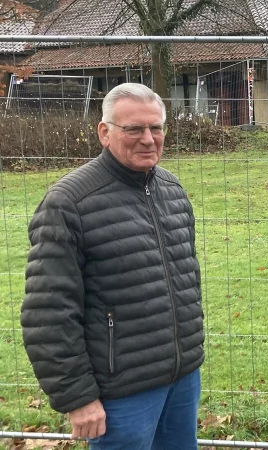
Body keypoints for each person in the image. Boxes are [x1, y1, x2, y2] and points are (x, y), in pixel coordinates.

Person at [21, 83, 204, 449]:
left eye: (156, 128)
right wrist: (78, 397)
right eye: (134, 129)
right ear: (105, 133)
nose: (149, 139)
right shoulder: (69, 203)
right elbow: (48, 313)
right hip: (121, 392)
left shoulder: (172, 189)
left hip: (181, 379)